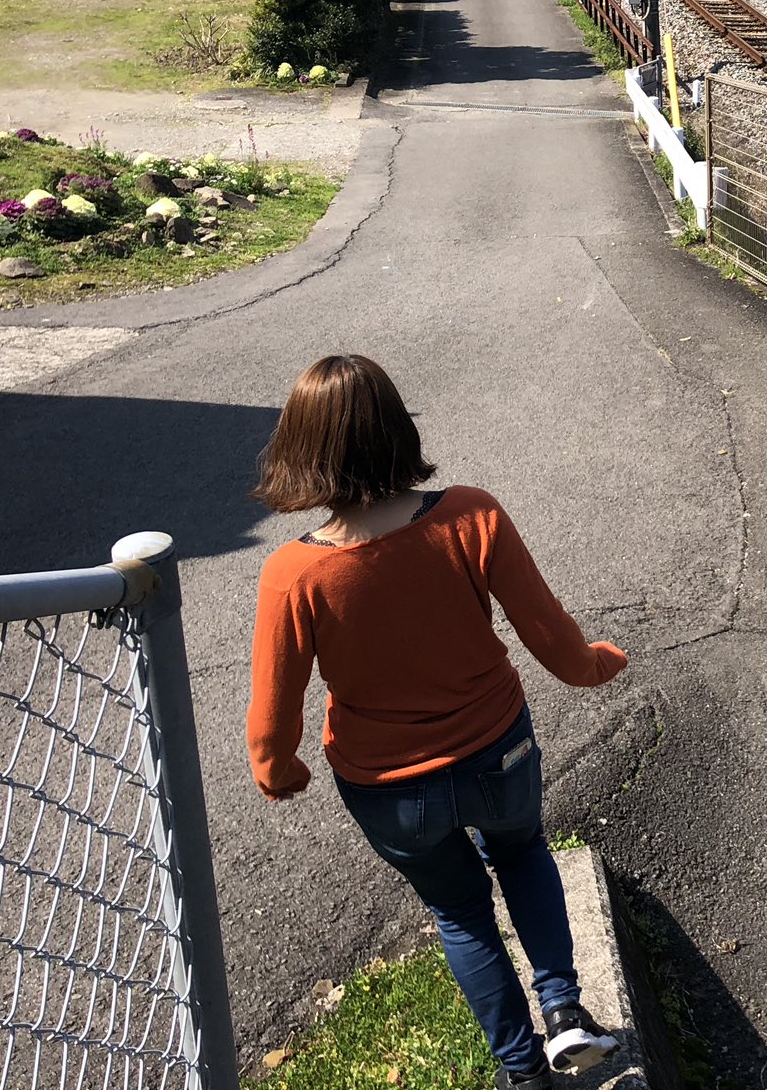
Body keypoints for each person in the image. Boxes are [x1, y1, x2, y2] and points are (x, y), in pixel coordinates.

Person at [245, 355, 628, 1089]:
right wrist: (595, 664)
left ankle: (522, 1072)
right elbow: (548, 635)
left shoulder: (293, 573)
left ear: (299, 449)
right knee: (523, 855)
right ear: (397, 428)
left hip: (390, 787)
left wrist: (276, 768)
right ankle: (566, 1011)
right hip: (497, 749)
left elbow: (274, 709)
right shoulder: (470, 515)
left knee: (459, 912)